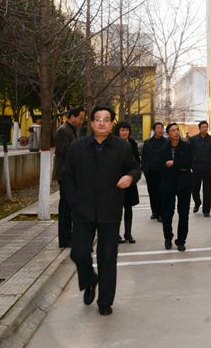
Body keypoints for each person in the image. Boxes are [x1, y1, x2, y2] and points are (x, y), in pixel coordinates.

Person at [63, 107, 141, 316]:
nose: (101, 123)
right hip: (83, 210)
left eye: (106, 119)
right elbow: (67, 176)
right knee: (79, 252)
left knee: (107, 257)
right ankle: (90, 279)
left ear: (111, 123)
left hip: (110, 209)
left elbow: (135, 168)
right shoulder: (77, 147)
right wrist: (74, 201)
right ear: (91, 122)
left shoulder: (121, 147)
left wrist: (130, 177)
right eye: (97, 119)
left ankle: (105, 301)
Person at [53, 107, 85, 248]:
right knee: (65, 207)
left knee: (69, 206)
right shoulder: (62, 131)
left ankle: (69, 236)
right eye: (80, 118)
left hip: (71, 173)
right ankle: (65, 239)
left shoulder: (71, 130)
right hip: (65, 174)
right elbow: (65, 151)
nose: (81, 121)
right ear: (72, 117)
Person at [159, 123, 193, 252]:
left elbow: (189, 164)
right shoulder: (163, 148)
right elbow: (161, 166)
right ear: (168, 133)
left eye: (177, 130)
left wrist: (173, 163)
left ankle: (181, 241)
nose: (176, 132)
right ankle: (168, 237)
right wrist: (180, 166)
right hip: (168, 183)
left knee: (183, 213)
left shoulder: (186, 146)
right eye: (173, 130)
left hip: (184, 183)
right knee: (168, 212)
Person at [114, 121, 141, 244]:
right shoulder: (113, 144)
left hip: (130, 179)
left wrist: (133, 175)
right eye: (122, 130)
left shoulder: (132, 143)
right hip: (118, 181)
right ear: (118, 131)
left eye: (127, 130)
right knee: (117, 208)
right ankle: (116, 234)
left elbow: (136, 161)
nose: (125, 132)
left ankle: (128, 233)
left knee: (128, 207)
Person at [189, 120, 211, 217]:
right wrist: (193, 163)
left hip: (207, 167)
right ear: (199, 128)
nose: (205, 129)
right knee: (194, 188)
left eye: (206, 127)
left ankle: (206, 210)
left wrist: (207, 159)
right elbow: (190, 153)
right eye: (203, 127)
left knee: (207, 189)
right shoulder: (193, 139)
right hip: (196, 168)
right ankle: (197, 202)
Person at [142, 122, 168, 222]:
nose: (160, 130)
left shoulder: (167, 142)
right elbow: (144, 158)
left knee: (162, 192)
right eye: (158, 128)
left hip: (163, 172)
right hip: (151, 172)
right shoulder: (147, 143)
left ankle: (161, 213)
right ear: (154, 130)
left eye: (161, 128)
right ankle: (154, 211)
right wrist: (145, 171)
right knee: (152, 192)